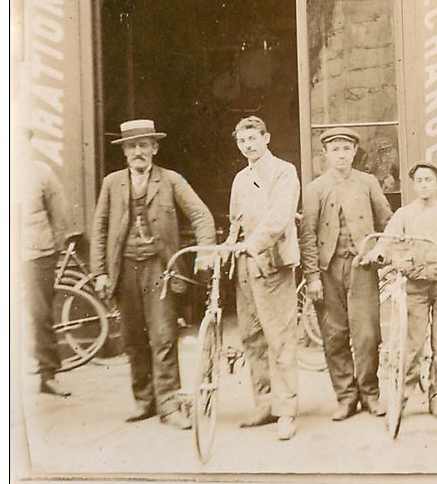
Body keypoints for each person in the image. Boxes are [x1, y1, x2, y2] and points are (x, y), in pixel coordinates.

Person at [91, 119, 215, 429]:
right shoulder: (112, 183)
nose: (138, 152)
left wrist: (205, 250)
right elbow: (100, 228)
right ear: (125, 152)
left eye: (143, 145)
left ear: (154, 148)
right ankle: (144, 401)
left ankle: (169, 406)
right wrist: (100, 273)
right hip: (124, 269)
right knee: (133, 339)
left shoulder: (171, 180)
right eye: (132, 146)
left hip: (160, 268)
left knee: (162, 336)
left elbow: (201, 215)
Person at [362, 160, 437, 420]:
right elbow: (386, 239)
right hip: (416, 284)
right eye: (419, 181)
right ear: (413, 184)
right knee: (412, 342)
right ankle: (403, 394)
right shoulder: (405, 215)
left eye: (428, 180)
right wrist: (377, 254)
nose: (424, 185)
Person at [299, 127, 392, 421]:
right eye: (335, 149)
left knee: (367, 334)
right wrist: (312, 276)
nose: (340, 154)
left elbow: (387, 221)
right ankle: (346, 396)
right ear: (325, 154)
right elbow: (308, 235)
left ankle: (370, 393)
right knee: (334, 335)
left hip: (362, 268)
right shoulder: (314, 189)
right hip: (328, 271)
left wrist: (381, 252)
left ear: (354, 152)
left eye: (346, 148)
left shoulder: (367, 183)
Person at [223, 116, 301, 441]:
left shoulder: (284, 172)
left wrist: (252, 245)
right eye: (242, 141)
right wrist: (230, 245)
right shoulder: (240, 178)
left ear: (266, 137)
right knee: (252, 337)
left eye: (253, 138)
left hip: (274, 263)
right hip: (245, 267)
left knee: (279, 338)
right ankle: (264, 404)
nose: (248, 145)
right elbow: (235, 221)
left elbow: (280, 216)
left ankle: (286, 411)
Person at [22, 155, 71, 397]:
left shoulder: (41, 173)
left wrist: (55, 250)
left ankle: (48, 375)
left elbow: (59, 213)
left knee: (40, 313)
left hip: (36, 254)